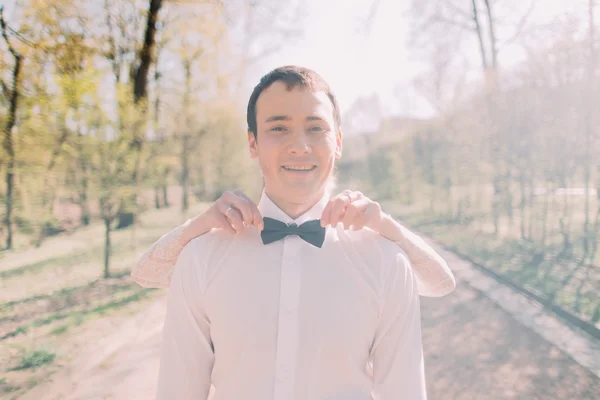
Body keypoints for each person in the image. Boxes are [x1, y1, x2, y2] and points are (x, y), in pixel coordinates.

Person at [136, 66, 455, 399]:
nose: (299, 146)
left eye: (316, 128)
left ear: (338, 142)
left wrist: (390, 229)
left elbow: (405, 390)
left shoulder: (386, 261)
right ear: (252, 143)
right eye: (278, 128)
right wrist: (196, 227)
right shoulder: (201, 257)